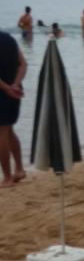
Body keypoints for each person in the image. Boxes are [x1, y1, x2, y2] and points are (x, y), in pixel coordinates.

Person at [0, 31, 27, 188]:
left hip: (4, 92)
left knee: (2, 133)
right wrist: (16, 84)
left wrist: (6, 89)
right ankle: (19, 169)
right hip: (15, 91)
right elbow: (23, 64)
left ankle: (7, 177)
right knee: (9, 130)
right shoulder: (9, 39)